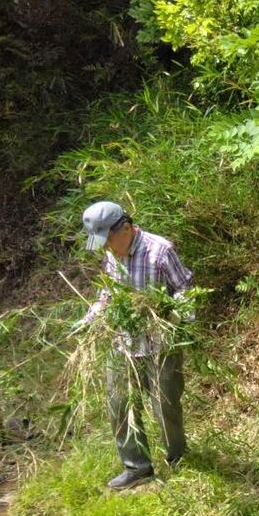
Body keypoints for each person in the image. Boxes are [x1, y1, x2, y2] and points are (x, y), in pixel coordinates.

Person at [74, 201, 194, 491]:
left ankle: (178, 459)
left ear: (125, 228)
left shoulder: (160, 250)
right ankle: (137, 467)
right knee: (119, 405)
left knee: (164, 406)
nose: (106, 248)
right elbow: (107, 295)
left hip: (160, 344)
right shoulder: (112, 254)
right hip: (123, 343)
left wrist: (174, 315)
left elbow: (184, 288)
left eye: (107, 240)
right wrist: (88, 320)